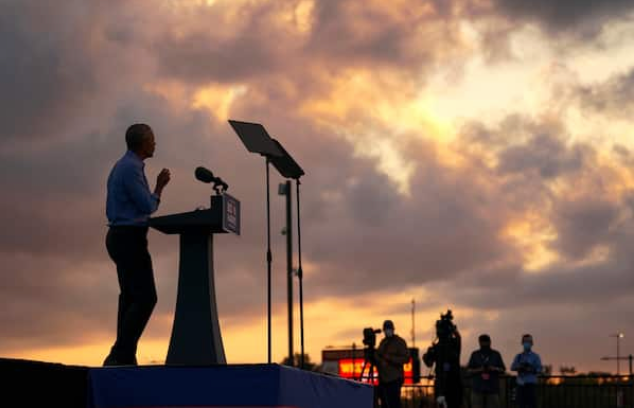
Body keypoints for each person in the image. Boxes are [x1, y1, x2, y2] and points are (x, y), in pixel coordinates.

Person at [103, 123, 171, 366]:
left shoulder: (126, 166)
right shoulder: (131, 169)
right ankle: (120, 353)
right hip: (128, 238)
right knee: (145, 298)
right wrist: (160, 187)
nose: (155, 143)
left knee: (131, 297)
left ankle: (123, 356)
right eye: (152, 139)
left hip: (123, 237)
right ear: (142, 143)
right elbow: (147, 206)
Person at [422, 311, 463, 408]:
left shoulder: (454, 344)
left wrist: (452, 328)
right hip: (441, 383)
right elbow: (429, 363)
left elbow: (458, 337)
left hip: (453, 382)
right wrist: (427, 356)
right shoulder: (436, 347)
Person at [376, 320, 410, 408]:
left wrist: (390, 359)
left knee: (394, 403)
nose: (387, 331)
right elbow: (378, 358)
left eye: (389, 329)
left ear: (393, 329)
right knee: (385, 404)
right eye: (386, 329)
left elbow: (406, 358)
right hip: (383, 380)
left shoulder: (399, 342)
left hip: (394, 379)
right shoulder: (383, 343)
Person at [467, 334, 506, 408]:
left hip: (492, 389)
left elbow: (503, 369)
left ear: (490, 342)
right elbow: (469, 370)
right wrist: (479, 370)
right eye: (482, 342)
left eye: (486, 342)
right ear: (479, 342)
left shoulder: (496, 354)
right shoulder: (475, 354)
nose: (484, 344)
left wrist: (493, 368)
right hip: (478, 389)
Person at [511, 334, 542, 408]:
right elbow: (512, 367)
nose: (526, 343)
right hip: (520, 386)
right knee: (520, 405)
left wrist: (531, 369)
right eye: (525, 341)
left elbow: (539, 369)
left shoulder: (535, 356)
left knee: (532, 405)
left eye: (528, 341)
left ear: (532, 343)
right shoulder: (518, 356)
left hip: (531, 386)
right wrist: (520, 367)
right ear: (522, 343)